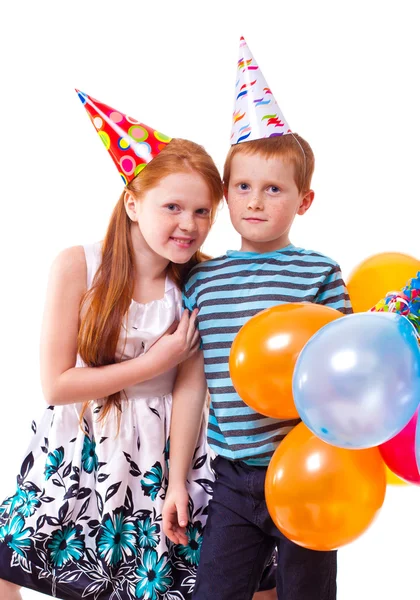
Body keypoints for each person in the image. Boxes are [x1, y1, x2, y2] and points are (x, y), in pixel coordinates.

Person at [0, 91, 224, 600]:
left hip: (168, 448)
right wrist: (153, 360)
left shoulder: (201, 281)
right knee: (13, 554)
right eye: (172, 206)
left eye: (202, 211)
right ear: (131, 202)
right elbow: (58, 384)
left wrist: (176, 479)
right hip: (85, 441)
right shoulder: (79, 265)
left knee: (169, 572)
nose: (188, 224)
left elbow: (192, 389)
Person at [163, 37, 353, 600]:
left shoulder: (318, 273)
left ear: (304, 200)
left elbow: (343, 367)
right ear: (226, 194)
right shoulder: (202, 279)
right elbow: (192, 387)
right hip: (235, 478)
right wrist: (177, 480)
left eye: (274, 189)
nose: (256, 201)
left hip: (308, 469)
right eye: (243, 187)